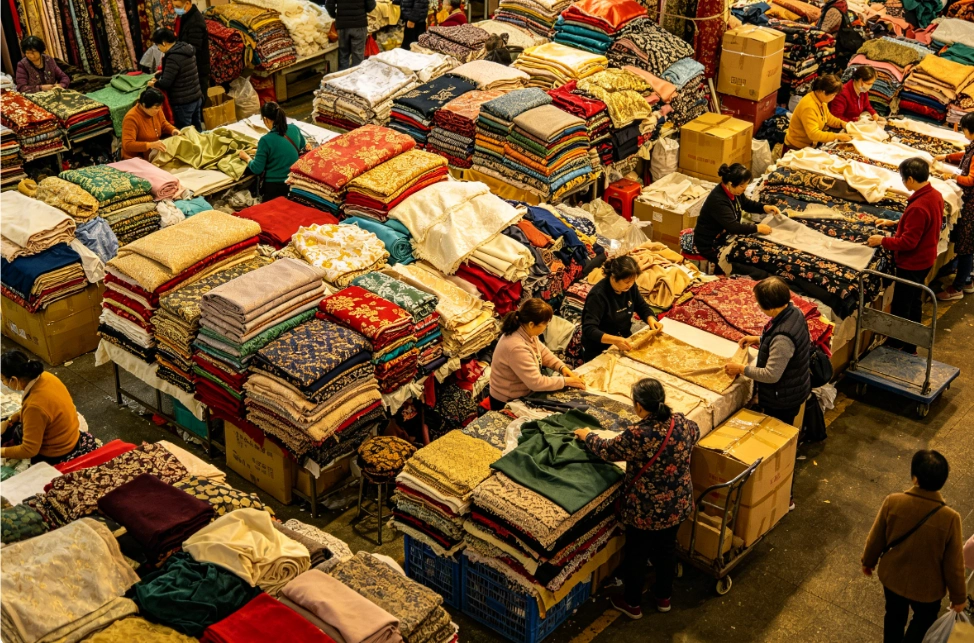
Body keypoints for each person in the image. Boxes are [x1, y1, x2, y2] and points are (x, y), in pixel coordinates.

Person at [574, 379, 700, 620]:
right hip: (677, 504)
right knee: (666, 550)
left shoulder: (638, 434)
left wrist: (586, 435)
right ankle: (664, 598)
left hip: (645, 510)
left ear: (640, 407)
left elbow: (608, 450)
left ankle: (632, 603)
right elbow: (696, 433)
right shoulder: (682, 423)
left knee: (637, 554)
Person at [862, 450, 967, 643]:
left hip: (894, 577)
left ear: (914, 478)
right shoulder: (950, 518)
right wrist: (958, 596)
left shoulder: (893, 502)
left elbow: (876, 537)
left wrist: (868, 561)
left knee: (893, 615)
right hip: (929, 588)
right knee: (924, 619)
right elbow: (954, 563)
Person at [867, 158, 944, 354]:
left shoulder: (918, 206)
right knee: (914, 301)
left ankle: (899, 344)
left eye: (903, 179)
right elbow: (920, 225)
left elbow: (909, 242)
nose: (903, 182)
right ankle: (911, 344)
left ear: (910, 179)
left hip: (913, 263)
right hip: (926, 258)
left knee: (903, 305)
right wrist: (896, 224)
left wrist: (882, 240)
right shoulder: (935, 195)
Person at [725, 277, 811, 427]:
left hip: (782, 398)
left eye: (759, 304)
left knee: (778, 432)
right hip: (792, 388)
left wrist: (741, 369)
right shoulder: (794, 312)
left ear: (770, 307)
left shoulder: (782, 338)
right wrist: (759, 339)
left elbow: (771, 375)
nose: (758, 306)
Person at [0, 351, 96, 464]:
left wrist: (2, 452)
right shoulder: (46, 376)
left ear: (14, 379)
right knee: (11, 428)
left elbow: (29, 450)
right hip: (71, 437)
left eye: (3, 380)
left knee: (14, 436)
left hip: (58, 452)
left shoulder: (34, 406)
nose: (4, 384)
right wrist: (11, 419)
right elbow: (40, 410)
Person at [488, 298, 585, 409]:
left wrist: (562, 368)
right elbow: (536, 382)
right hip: (506, 400)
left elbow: (543, 352)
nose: (546, 328)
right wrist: (565, 381)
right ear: (531, 324)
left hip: (521, 392)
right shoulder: (516, 347)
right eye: (545, 325)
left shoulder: (526, 332)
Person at [694, 163, 778, 270]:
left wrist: (764, 208)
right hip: (710, 244)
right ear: (730, 183)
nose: (745, 188)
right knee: (745, 260)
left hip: (726, 236)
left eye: (746, 184)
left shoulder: (734, 192)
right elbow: (733, 227)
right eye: (742, 186)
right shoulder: (718, 201)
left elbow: (746, 204)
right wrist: (758, 228)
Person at [580, 256, 662, 363]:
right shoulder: (598, 295)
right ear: (613, 277)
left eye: (633, 281)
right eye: (627, 281)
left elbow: (641, 306)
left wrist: (651, 319)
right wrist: (615, 340)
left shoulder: (630, 287)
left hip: (623, 340)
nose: (630, 284)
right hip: (599, 348)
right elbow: (589, 329)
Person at [934, 111, 974, 301]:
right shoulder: (973, 147)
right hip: (969, 203)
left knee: (966, 246)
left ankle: (958, 287)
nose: (963, 132)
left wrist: (951, 176)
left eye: (964, 129)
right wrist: (947, 157)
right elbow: (965, 154)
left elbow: (971, 180)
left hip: (972, 206)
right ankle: (966, 280)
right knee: (967, 244)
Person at [238, 102, 307, 202]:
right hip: (293, 183)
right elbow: (301, 146)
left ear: (265, 119)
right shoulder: (294, 129)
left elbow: (257, 169)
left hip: (275, 188)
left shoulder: (265, 140)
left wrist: (246, 157)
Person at [149, 28, 204, 131]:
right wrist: (162, 73)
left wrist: (155, 84)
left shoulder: (173, 57)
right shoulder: (185, 49)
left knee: (185, 132)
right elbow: (181, 72)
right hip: (196, 96)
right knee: (197, 129)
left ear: (164, 43)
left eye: (158, 45)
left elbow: (166, 83)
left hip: (184, 102)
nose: (159, 49)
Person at [784, 75, 853, 151]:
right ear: (823, 92)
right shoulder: (809, 106)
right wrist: (837, 136)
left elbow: (828, 118)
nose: (834, 97)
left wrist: (843, 124)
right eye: (833, 95)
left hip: (810, 144)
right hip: (797, 147)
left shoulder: (821, 100)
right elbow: (814, 134)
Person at [121, 88, 180, 160]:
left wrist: (173, 130)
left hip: (153, 153)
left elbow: (163, 123)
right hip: (137, 158)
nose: (159, 110)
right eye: (156, 108)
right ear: (144, 105)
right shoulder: (131, 118)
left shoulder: (156, 109)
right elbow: (128, 144)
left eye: (160, 107)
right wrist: (150, 145)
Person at [173, 0, 210, 101]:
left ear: (187, 4)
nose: (176, 9)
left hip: (197, 69)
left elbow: (193, 49)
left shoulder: (195, 22)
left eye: (178, 6)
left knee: (198, 103)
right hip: (192, 68)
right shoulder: (185, 17)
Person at [327, 0, 376, 70]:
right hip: (359, 25)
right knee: (358, 55)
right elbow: (371, 5)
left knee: (343, 55)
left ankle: (342, 77)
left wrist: (334, 15)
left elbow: (329, 5)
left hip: (342, 26)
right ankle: (356, 77)